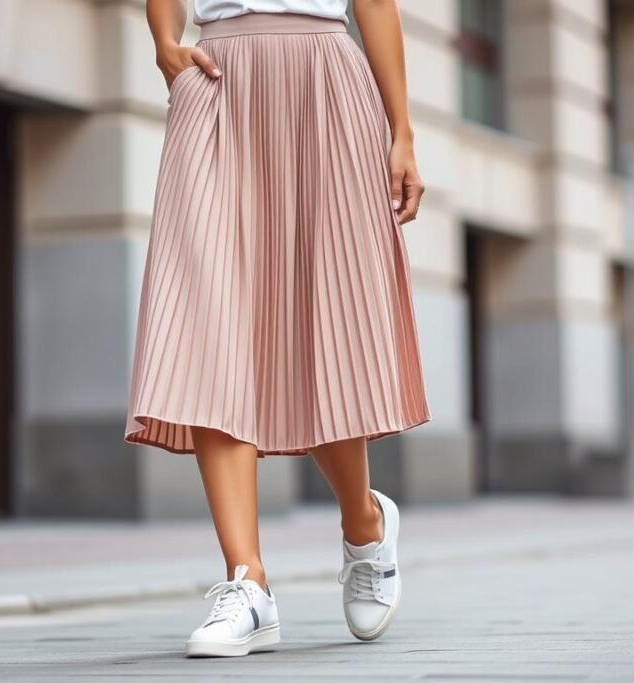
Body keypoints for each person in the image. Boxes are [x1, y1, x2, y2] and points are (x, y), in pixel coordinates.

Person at [126, 0, 431, 657]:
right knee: (208, 319)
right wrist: (163, 41)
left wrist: (402, 130)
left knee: (323, 320)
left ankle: (364, 524)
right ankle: (248, 582)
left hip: (323, 80)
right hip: (216, 80)